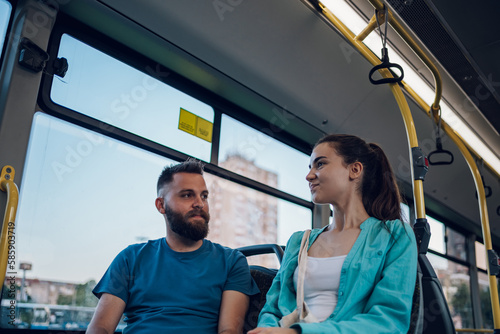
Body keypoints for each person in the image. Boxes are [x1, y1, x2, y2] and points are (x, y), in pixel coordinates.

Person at [249, 134, 418, 334]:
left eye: (320, 164)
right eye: (310, 167)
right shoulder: (299, 242)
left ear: (354, 170)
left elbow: (388, 322)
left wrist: (298, 333)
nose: (309, 175)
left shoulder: (394, 235)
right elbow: (273, 309)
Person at [86, 158, 259, 334]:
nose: (199, 203)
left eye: (204, 196)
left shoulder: (232, 262)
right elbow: (100, 328)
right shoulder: (130, 258)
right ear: (161, 205)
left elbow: (229, 330)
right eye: (187, 195)